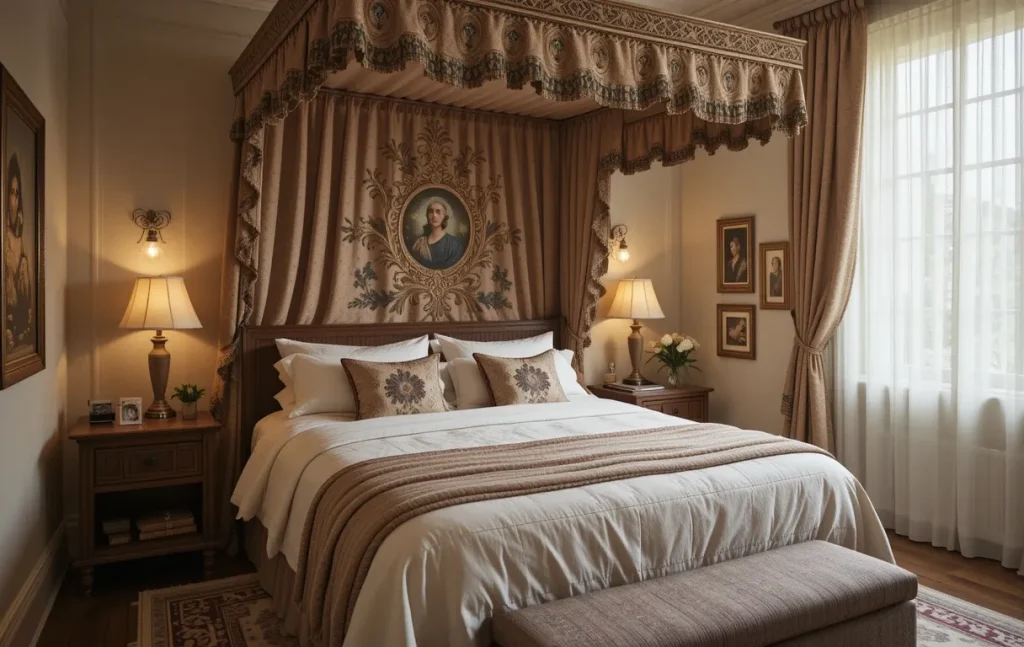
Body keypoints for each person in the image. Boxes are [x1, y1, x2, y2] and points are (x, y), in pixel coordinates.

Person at [5, 153, 32, 353]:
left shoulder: (19, 241)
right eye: (11, 193)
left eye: (17, 193)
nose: (14, 200)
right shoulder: (5, 238)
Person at [411, 199, 465, 269]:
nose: (434, 215)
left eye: (438, 212)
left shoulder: (454, 244)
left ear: (444, 217)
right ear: (427, 216)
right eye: (431, 212)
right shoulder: (419, 243)